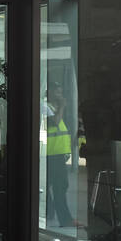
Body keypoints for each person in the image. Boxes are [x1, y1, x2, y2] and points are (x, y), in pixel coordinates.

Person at [44, 82, 75, 229]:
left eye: (61, 92)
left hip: (56, 153)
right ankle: (65, 219)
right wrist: (62, 106)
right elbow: (54, 123)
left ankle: (48, 212)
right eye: (57, 92)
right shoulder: (45, 107)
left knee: (51, 185)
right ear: (49, 92)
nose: (60, 96)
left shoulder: (53, 108)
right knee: (60, 187)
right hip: (52, 154)